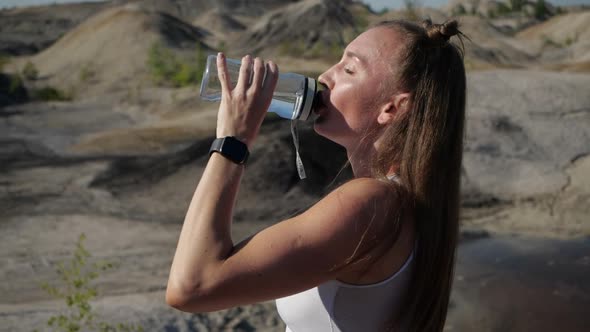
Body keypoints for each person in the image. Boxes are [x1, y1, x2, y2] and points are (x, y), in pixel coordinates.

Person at [166, 18, 467, 332]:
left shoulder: (371, 205)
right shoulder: (412, 202)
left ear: (392, 108)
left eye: (349, 69)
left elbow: (192, 286)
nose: (325, 76)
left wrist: (232, 141)